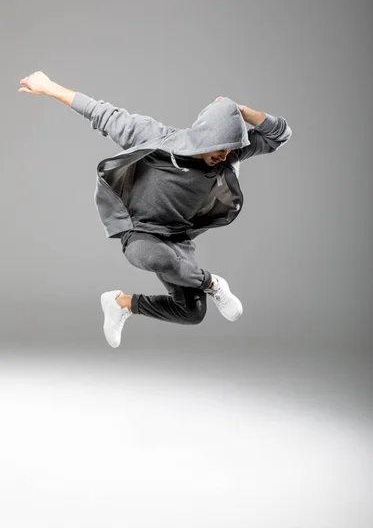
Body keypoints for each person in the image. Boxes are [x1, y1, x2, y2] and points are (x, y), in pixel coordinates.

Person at [18, 71, 292, 348]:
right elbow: (102, 114)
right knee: (151, 256)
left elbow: (279, 135)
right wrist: (50, 87)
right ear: (206, 135)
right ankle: (212, 284)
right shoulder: (158, 138)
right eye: (221, 147)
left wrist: (244, 113)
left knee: (191, 313)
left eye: (231, 149)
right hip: (140, 232)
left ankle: (121, 303)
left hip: (177, 239)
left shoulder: (228, 155)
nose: (224, 156)